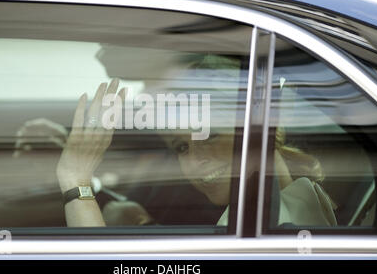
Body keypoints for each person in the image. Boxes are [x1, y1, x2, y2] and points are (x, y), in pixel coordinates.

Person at [55, 77, 337, 228]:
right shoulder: (301, 199)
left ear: (257, 130)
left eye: (209, 133)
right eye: (181, 147)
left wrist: (76, 182)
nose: (195, 158)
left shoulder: (272, 226)